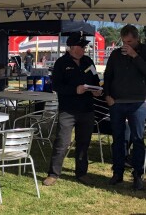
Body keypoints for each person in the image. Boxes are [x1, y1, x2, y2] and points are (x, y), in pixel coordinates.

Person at [43, 31, 101, 186]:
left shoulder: (88, 61)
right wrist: (75, 90)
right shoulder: (61, 63)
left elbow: (96, 80)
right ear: (72, 47)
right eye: (81, 46)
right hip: (68, 110)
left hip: (87, 109)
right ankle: (53, 174)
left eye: (84, 46)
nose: (83, 49)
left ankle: (81, 173)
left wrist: (97, 90)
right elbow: (56, 86)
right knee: (62, 142)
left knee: (84, 142)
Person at [104, 24, 146, 190]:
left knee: (137, 139)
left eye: (129, 41)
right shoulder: (115, 54)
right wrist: (107, 95)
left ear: (137, 38)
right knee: (118, 139)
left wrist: (134, 55)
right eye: (124, 41)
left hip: (138, 102)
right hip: (117, 102)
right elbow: (108, 75)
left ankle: (137, 174)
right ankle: (118, 172)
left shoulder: (143, 51)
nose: (126, 44)